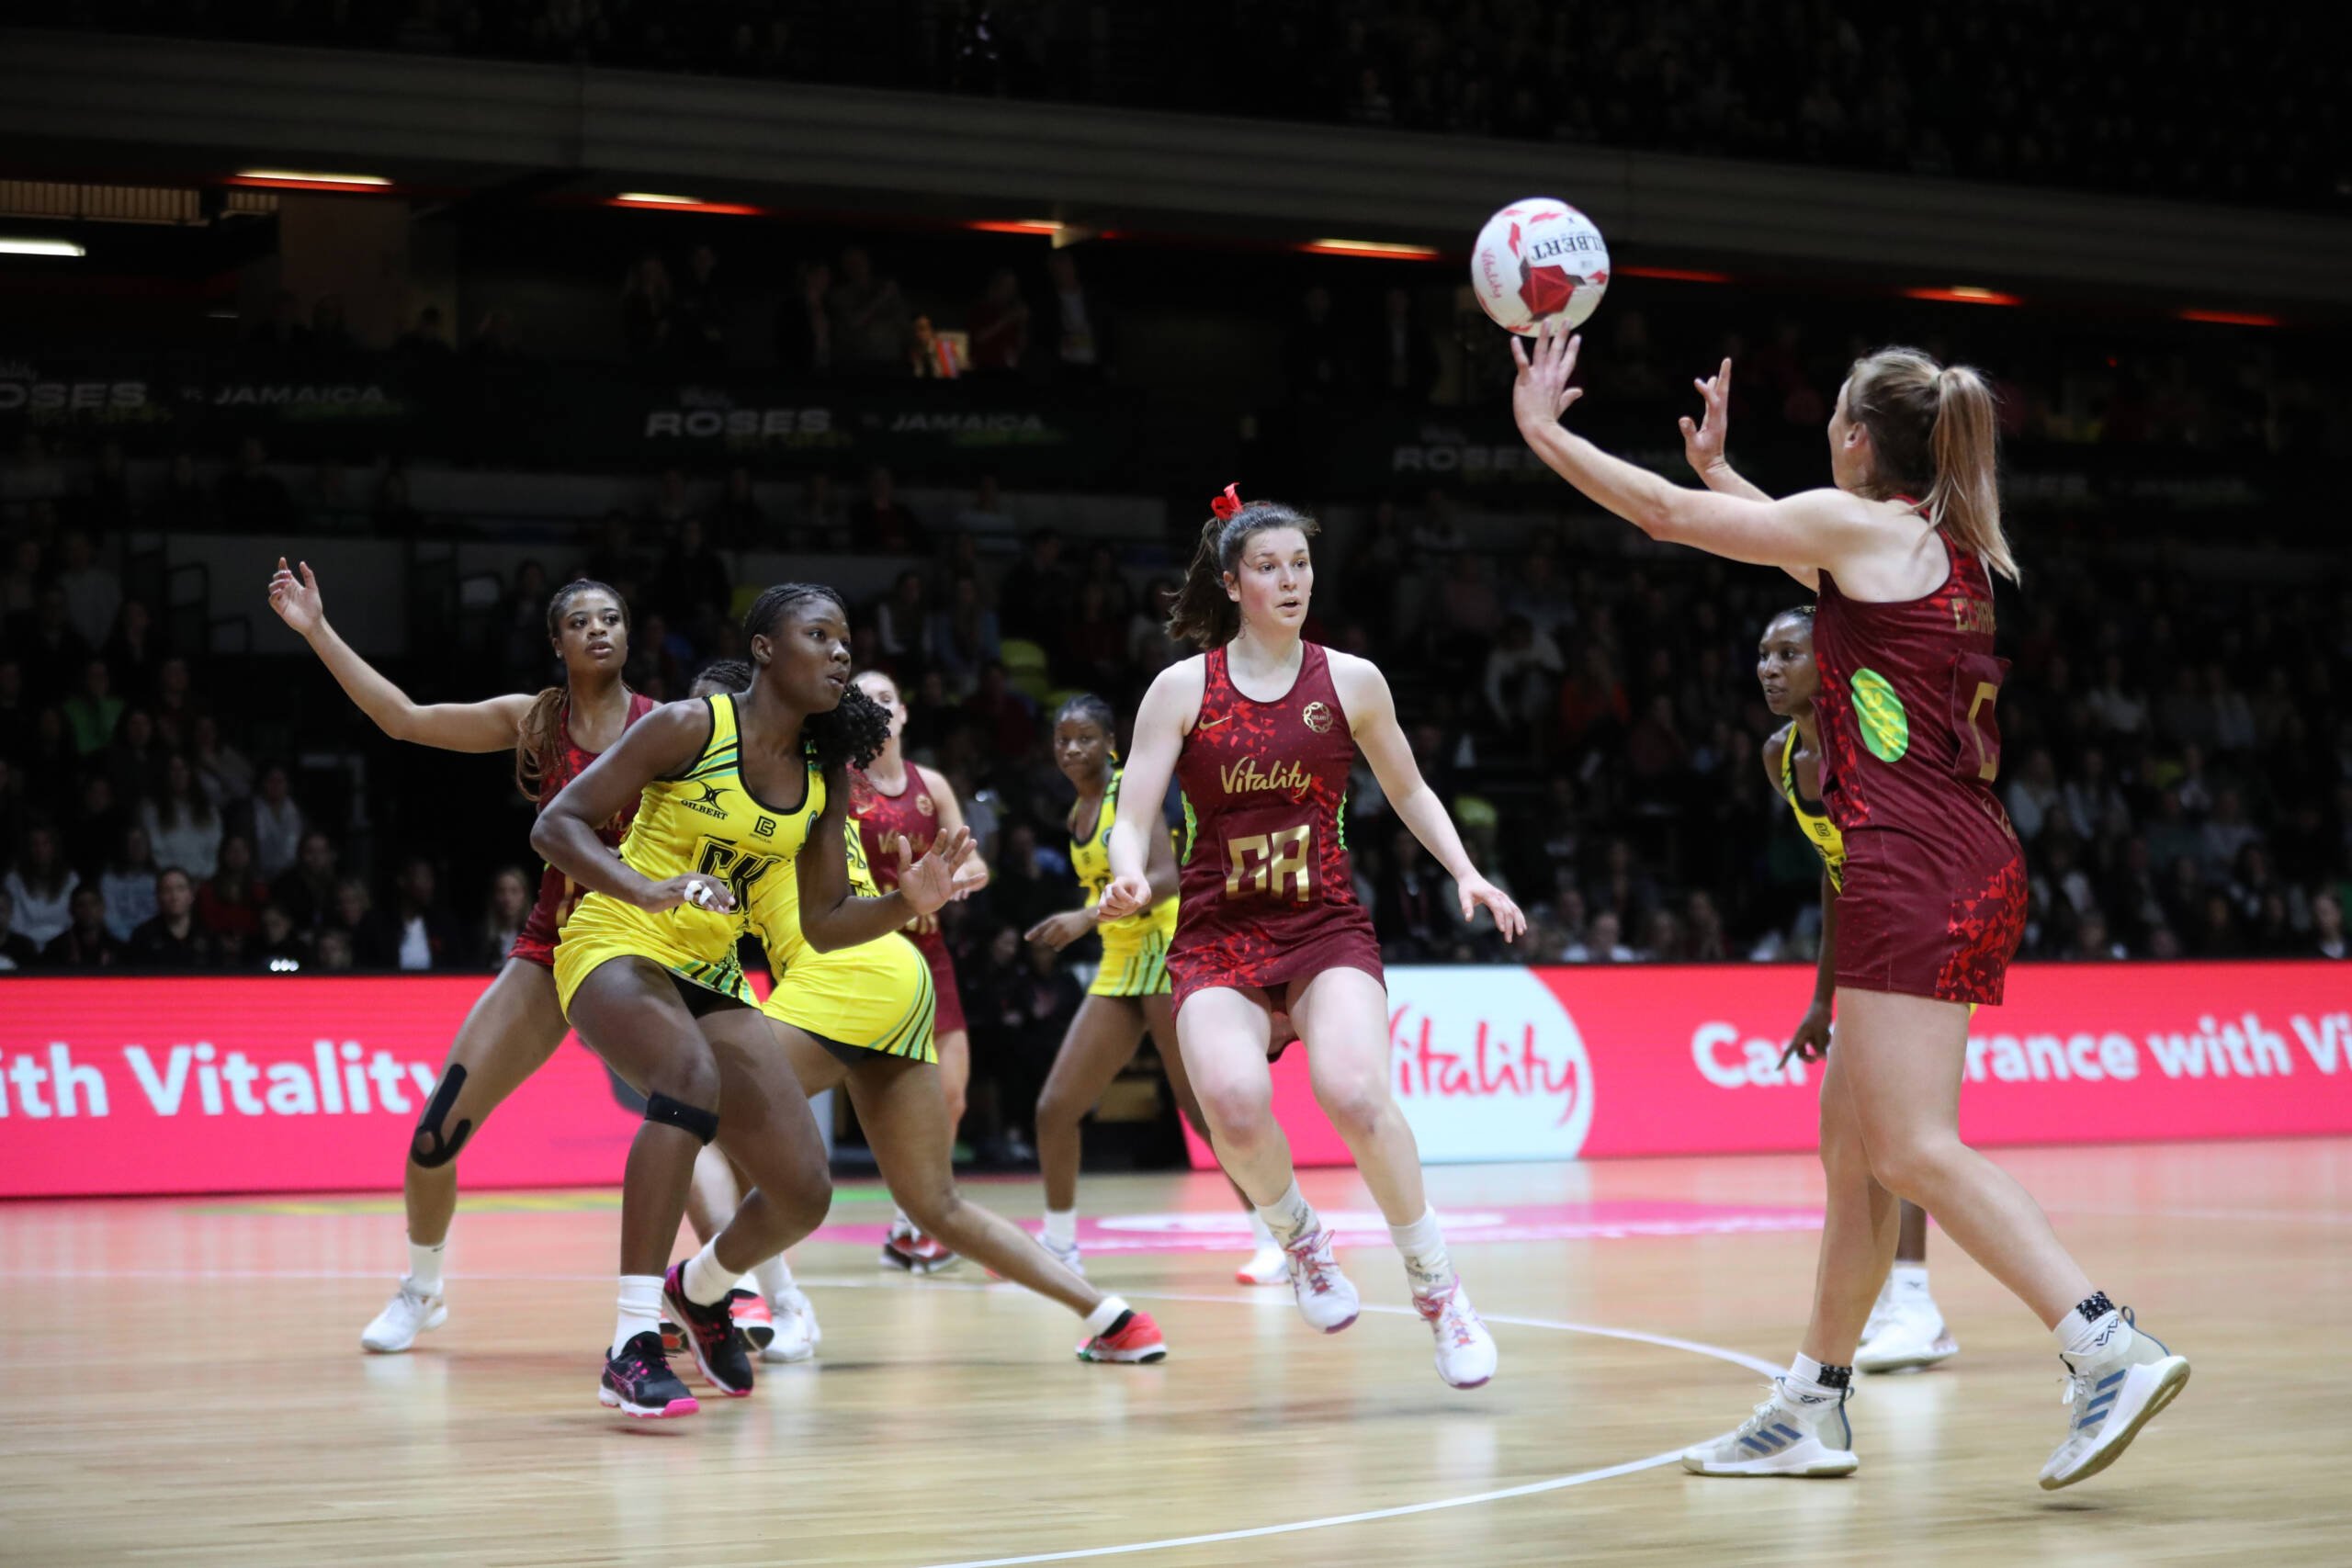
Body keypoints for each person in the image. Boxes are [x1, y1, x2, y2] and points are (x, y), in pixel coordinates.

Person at [1513, 328, 2187, 1487]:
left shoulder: (1861, 528)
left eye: (1832, 414)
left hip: (1910, 861)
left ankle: (2103, 1343)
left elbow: (1669, 523)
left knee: (1912, 1147)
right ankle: (1810, 1404)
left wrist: (1544, 431)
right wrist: (1727, 476)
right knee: (1853, 1151)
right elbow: (1775, 541)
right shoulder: (1936, 541)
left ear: (1857, 437)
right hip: (1960, 854)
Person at [1098, 486, 1521, 1389]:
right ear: (1232, 581)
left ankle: (1439, 1292)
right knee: (1230, 1097)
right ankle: (1302, 1241)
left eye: (1300, 563)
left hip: (1323, 924)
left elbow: (1408, 790)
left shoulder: (1352, 681)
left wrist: (1465, 869)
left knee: (1357, 1092)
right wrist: (1127, 870)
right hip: (1217, 932)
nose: (1290, 581)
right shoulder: (1183, 688)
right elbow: (1130, 813)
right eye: (1268, 566)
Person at [532, 583, 960, 1418]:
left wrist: (908, 901)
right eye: (819, 635)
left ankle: (700, 1288)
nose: (840, 653)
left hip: (714, 974)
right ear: (764, 648)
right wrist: (646, 887)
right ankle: (630, 1341)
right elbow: (558, 824)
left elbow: (828, 925)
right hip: (615, 942)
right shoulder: (692, 726)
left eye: (847, 639)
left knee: (805, 1189)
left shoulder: (822, 777)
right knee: (687, 1076)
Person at [266, 562, 660, 1357]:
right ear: (556, 642)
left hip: (648, 953)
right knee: (433, 1137)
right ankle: (422, 1288)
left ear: (627, 634)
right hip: (551, 954)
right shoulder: (535, 722)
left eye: (610, 617)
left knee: (699, 1125)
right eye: (579, 619)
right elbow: (404, 718)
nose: (597, 628)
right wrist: (316, 630)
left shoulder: (672, 728)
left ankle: (752, 1295)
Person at [1027, 694, 1288, 1286]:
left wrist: (1084, 918)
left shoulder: (1125, 792)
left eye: (1084, 738)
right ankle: (1062, 1246)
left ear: (1110, 743)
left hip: (1169, 958)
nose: (1071, 749)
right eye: (1062, 739)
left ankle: (1278, 1237)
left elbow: (1167, 877)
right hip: (1120, 965)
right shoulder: (1077, 811)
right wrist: (1092, 921)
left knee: (1204, 1110)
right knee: (1055, 1108)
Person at [1756, 601, 1955, 1373]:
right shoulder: (1779, 757)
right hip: (1871, 934)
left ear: (1829, 658)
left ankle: (1916, 1304)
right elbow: (1835, 873)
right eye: (1764, 654)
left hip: (1927, 921)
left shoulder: (1874, 731)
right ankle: (1877, 1314)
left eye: (1790, 652)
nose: (1771, 667)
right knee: (1853, 1140)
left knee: (1900, 1134)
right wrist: (1820, 997)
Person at [847, 668, 988, 1272]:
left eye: (885, 697)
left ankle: (913, 1223)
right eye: (862, 701)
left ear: (902, 713)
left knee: (953, 1095)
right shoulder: (840, 787)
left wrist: (963, 878)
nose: (877, 708)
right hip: (870, 953)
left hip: (930, 952)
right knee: (900, 1104)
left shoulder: (932, 783)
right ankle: (917, 1216)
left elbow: (972, 861)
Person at [129, 866, 220, 970]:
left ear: (191, 895)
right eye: (167, 890)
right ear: (158, 897)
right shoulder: (143, 935)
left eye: (180, 889)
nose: (174, 897)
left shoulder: (209, 934)